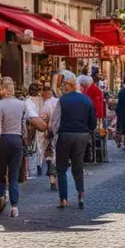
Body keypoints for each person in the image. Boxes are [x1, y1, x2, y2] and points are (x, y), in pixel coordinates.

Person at [51, 72, 96, 209]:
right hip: (81, 135)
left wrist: (53, 135)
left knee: (61, 168)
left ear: (69, 86)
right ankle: (81, 195)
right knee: (78, 167)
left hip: (65, 135)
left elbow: (55, 122)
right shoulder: (87, 100)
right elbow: (92, 123)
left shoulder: (63, 100)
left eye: (65, 85)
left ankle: (63, 199)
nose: (63, 88)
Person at [0, 77, 27, 218]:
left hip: (3, 139)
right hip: (17, 139)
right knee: (13, 176)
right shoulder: (21, 104)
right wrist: (24, 140)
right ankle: (14, 207)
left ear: (3, 89)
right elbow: (23, 125)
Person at [40, 84, 60, 189]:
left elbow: (43, 118)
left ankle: (52, 179)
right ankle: (58, 177)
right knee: (58, 155)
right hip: (60, 133)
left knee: (49, 155)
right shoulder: (59, 101)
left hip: (50, 133)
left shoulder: (46, 103)